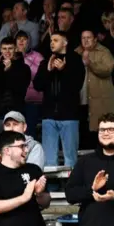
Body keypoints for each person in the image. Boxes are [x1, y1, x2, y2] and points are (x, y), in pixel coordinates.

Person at [33, 31, 85, 169]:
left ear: (65, 42)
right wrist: (49, 69)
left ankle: (71, 188)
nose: (52, 43)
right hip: (48, 116)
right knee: (49, 160)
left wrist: (64, 70)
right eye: (51, 40)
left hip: (69, 116)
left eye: (56, 40)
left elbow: (76, 86)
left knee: (70, 159)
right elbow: (37, 86)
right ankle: (51, 189)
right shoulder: (46, 62)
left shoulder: (75, 60)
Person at [0, 37, 31, 150]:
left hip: (15, 115)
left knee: (15, 149)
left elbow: (20, 90)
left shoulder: (24, 68)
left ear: (15, 49)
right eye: (4, 48)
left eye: (10, 48)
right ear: (0, 50)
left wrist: (10, 71)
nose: (7, 51)